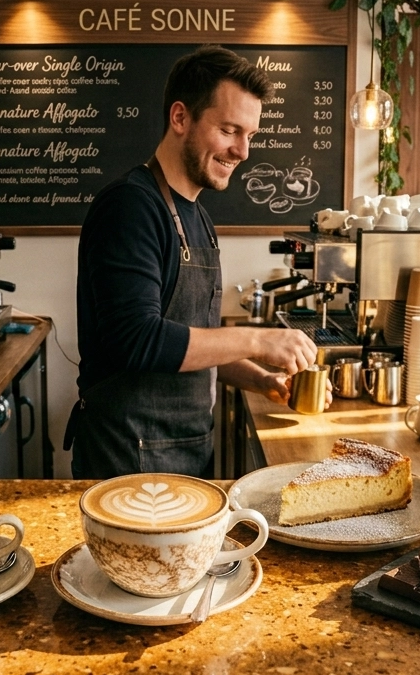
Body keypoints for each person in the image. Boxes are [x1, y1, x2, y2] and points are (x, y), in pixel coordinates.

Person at [67, 46, 322, 480]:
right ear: (181, 118)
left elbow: (190, 345)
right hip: (127, 458)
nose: (242, 150)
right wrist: (258, 341)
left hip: (185, 452)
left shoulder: (198, 214)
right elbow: (138, 339)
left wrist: (261, 379)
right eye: (229, 130)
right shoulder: (130, 207)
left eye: (251, 135)